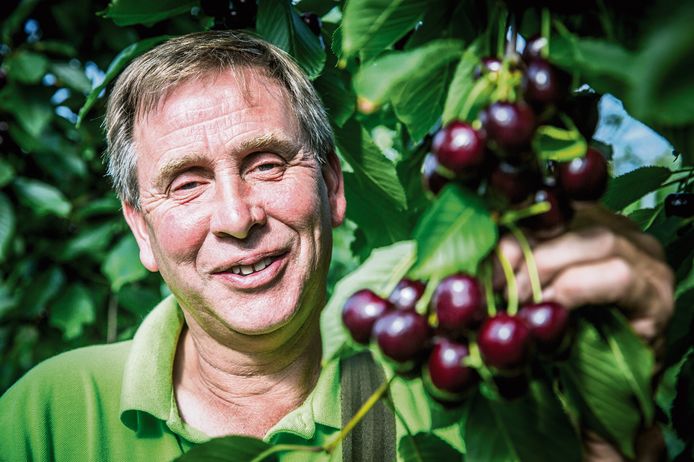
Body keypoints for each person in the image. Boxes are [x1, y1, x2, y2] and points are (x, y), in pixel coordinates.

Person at [0, 30, 674, 461]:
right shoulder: (45, 420)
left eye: (267, 163)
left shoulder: (466, 385)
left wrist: (610, 421)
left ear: (332, 186)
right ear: (141, 231)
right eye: (187, 183)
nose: (236, 217)